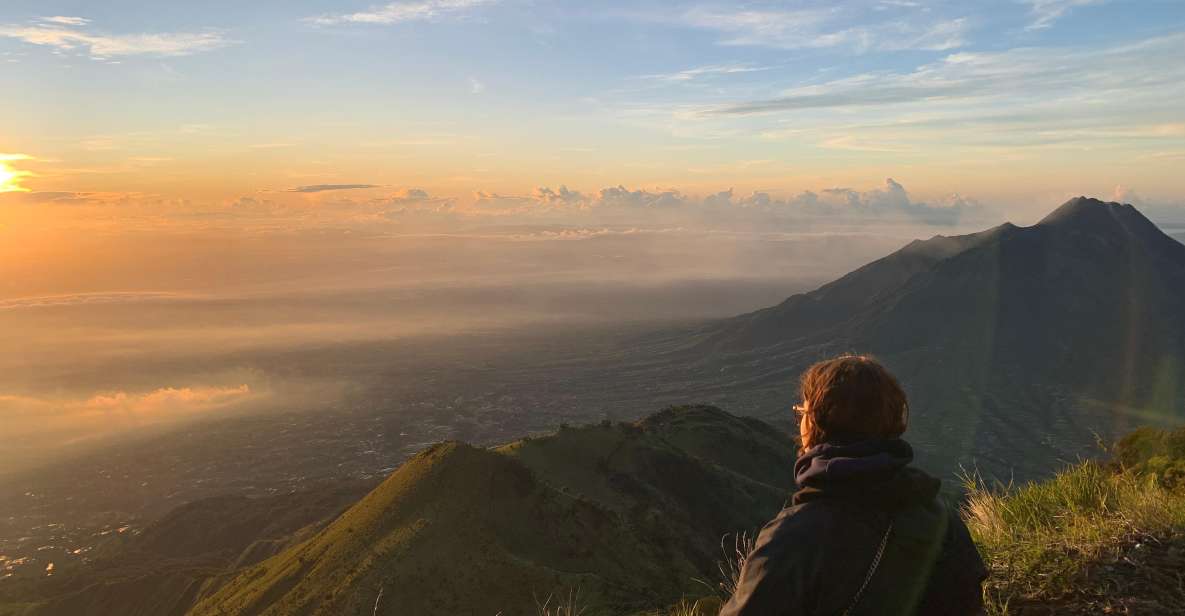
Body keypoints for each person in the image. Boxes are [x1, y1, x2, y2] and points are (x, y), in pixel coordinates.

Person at [720, 355, 987, 616]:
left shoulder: (794, 538)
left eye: (801, 411)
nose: (799, 420)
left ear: (815, 421)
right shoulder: (943, 523)